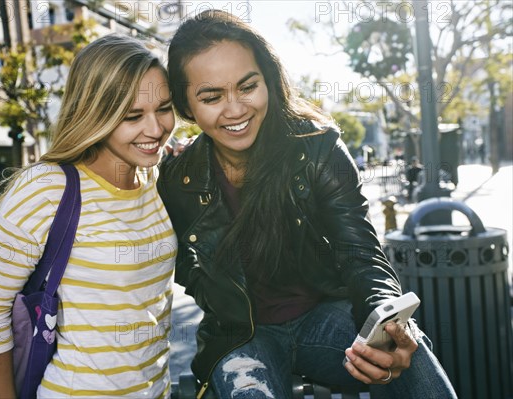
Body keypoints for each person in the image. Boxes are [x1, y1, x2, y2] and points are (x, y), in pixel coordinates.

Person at [158, 10, 456, 399]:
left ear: (268, 80)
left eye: (247, 86)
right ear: (185, 106)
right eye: (211, 96)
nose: (234, 109)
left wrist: (387, 321)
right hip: (242, 336)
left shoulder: (317, 146)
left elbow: (361, 252)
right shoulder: (176, 179)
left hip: (326, 318)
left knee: (407, 353)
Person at [0, 35, 177, 398]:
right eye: (133, 116)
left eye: (164, 107)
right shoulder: (46, 188)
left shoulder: (156, 179)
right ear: (96, 114)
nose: (156, 128)